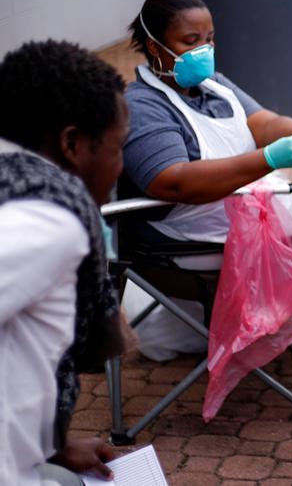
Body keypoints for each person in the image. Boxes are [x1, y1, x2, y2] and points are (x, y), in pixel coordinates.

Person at [121, 0, 292, 359]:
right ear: (155, 47)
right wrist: (268, 158)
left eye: (209, 38)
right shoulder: (143, 106)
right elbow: (174, 182)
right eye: (191, 41)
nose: (204, 49)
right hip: (185, 244)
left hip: (230, 222)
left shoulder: (214, 86)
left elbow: (263, 123)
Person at [0, 40, 129, 485]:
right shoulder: (51, 219)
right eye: (117, 147)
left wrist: (50, 445)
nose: (120, 168)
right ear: (73, 143)